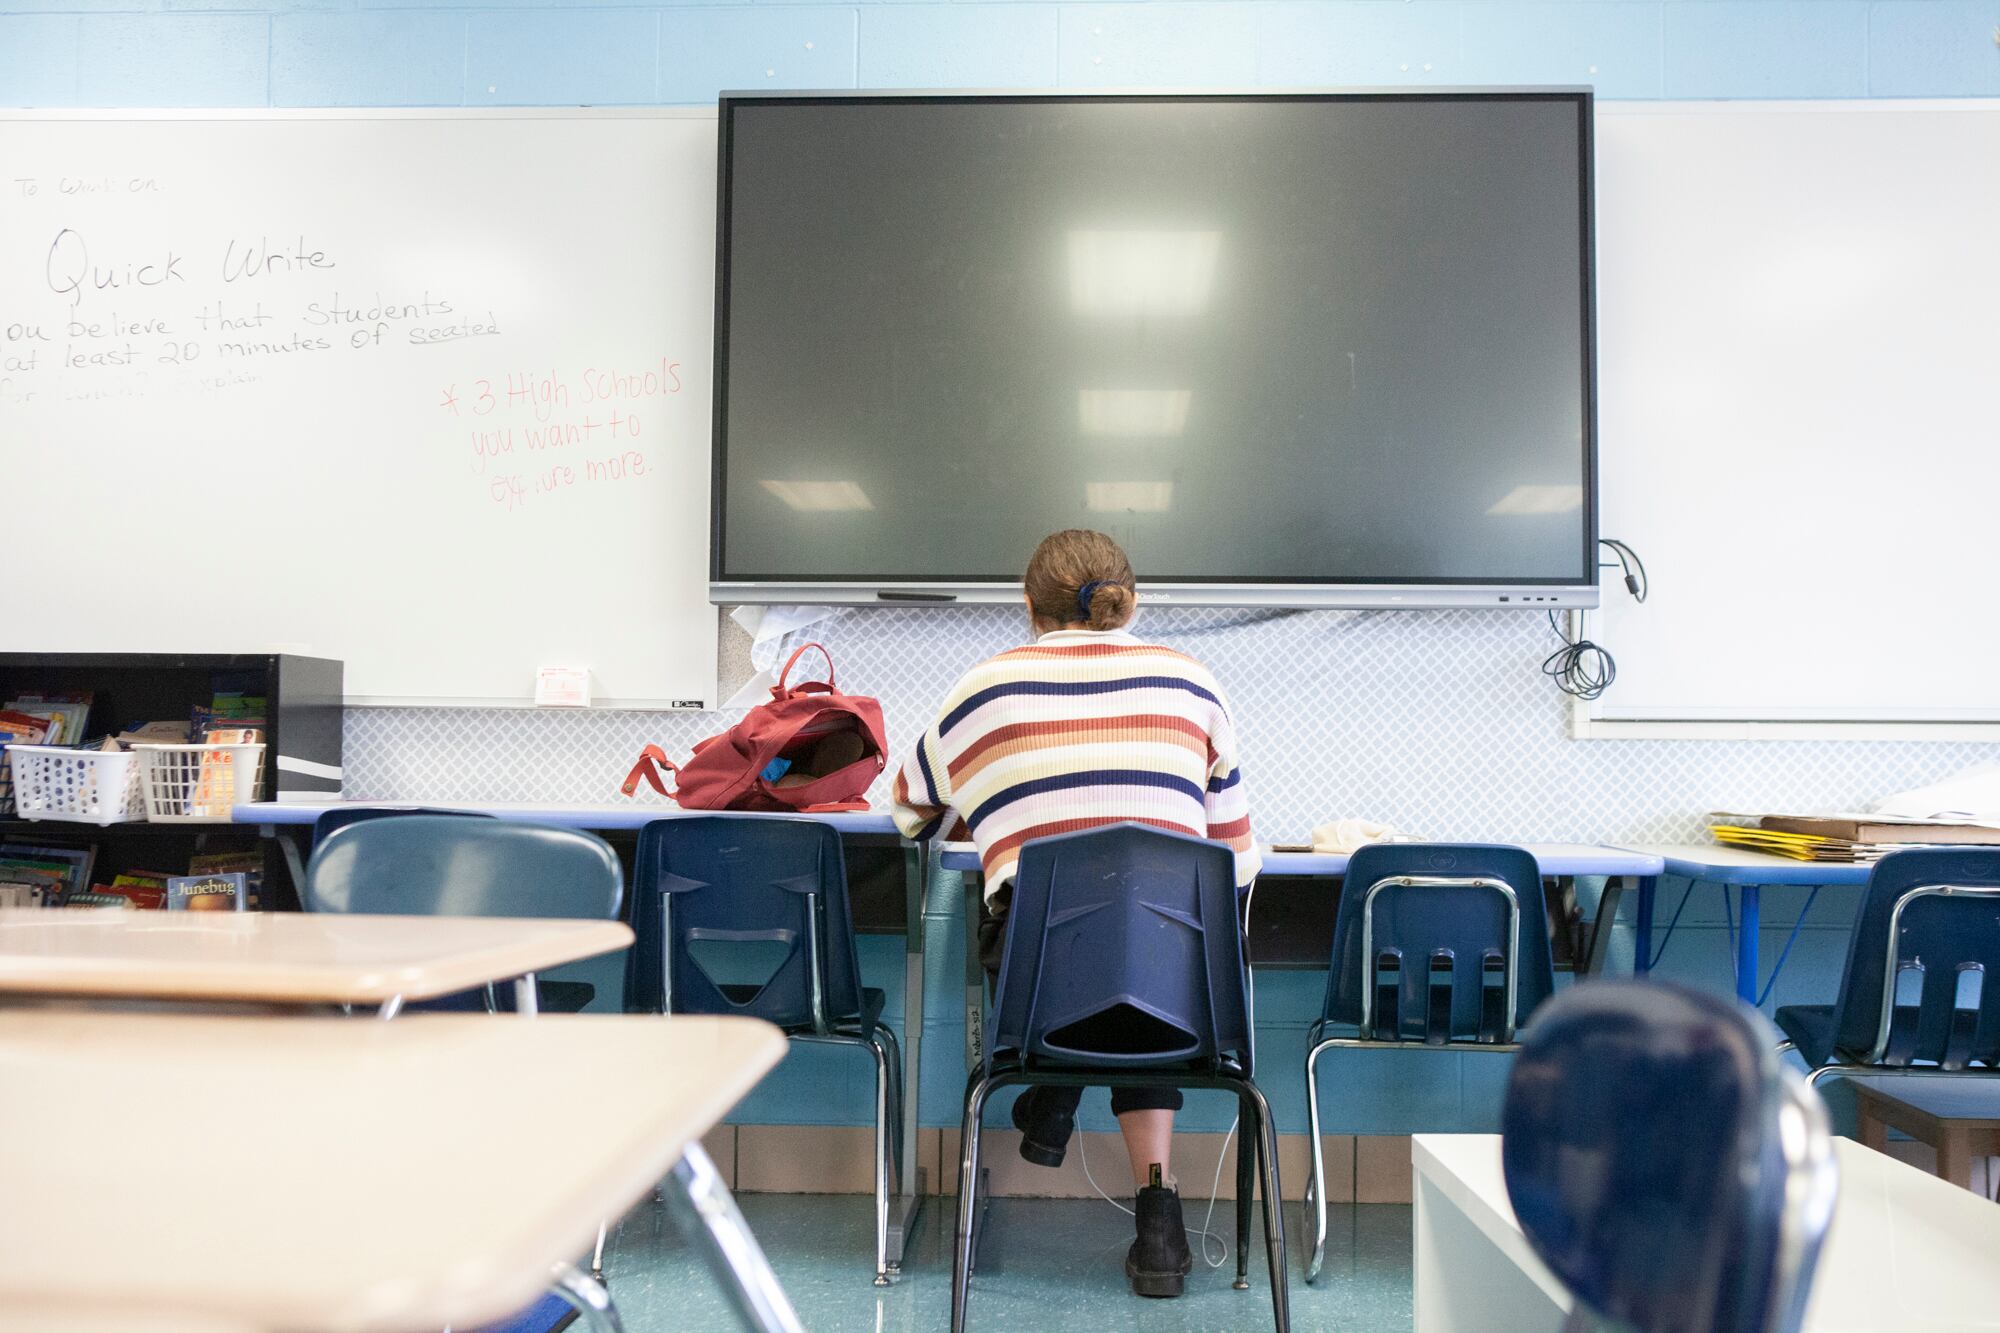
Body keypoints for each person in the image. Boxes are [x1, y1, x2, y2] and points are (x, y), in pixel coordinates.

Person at [890, 528, 1259, 1299]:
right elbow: (1235, 859)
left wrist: (1002, 814)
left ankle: (1055, 1087)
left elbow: (909, 809)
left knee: (1082, 947)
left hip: (1040, 990)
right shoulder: (1192, 682)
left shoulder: (985, 688)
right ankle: (1158, 1224)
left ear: (1029, 607)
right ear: (1132, 602)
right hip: (1175, 1001)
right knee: (1152, 950)